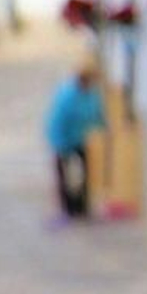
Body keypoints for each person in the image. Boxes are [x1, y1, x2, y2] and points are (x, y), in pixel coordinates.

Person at [44, 65, 105, 219]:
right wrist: (61, 146)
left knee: (84, 172)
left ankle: (81, 206)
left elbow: (98, 115)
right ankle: (67, 208)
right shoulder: (66, 96)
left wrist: (104, 128)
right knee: (64, 175)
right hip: (61, 139)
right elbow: (58, 122)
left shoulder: (92, 94)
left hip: (78, 138)